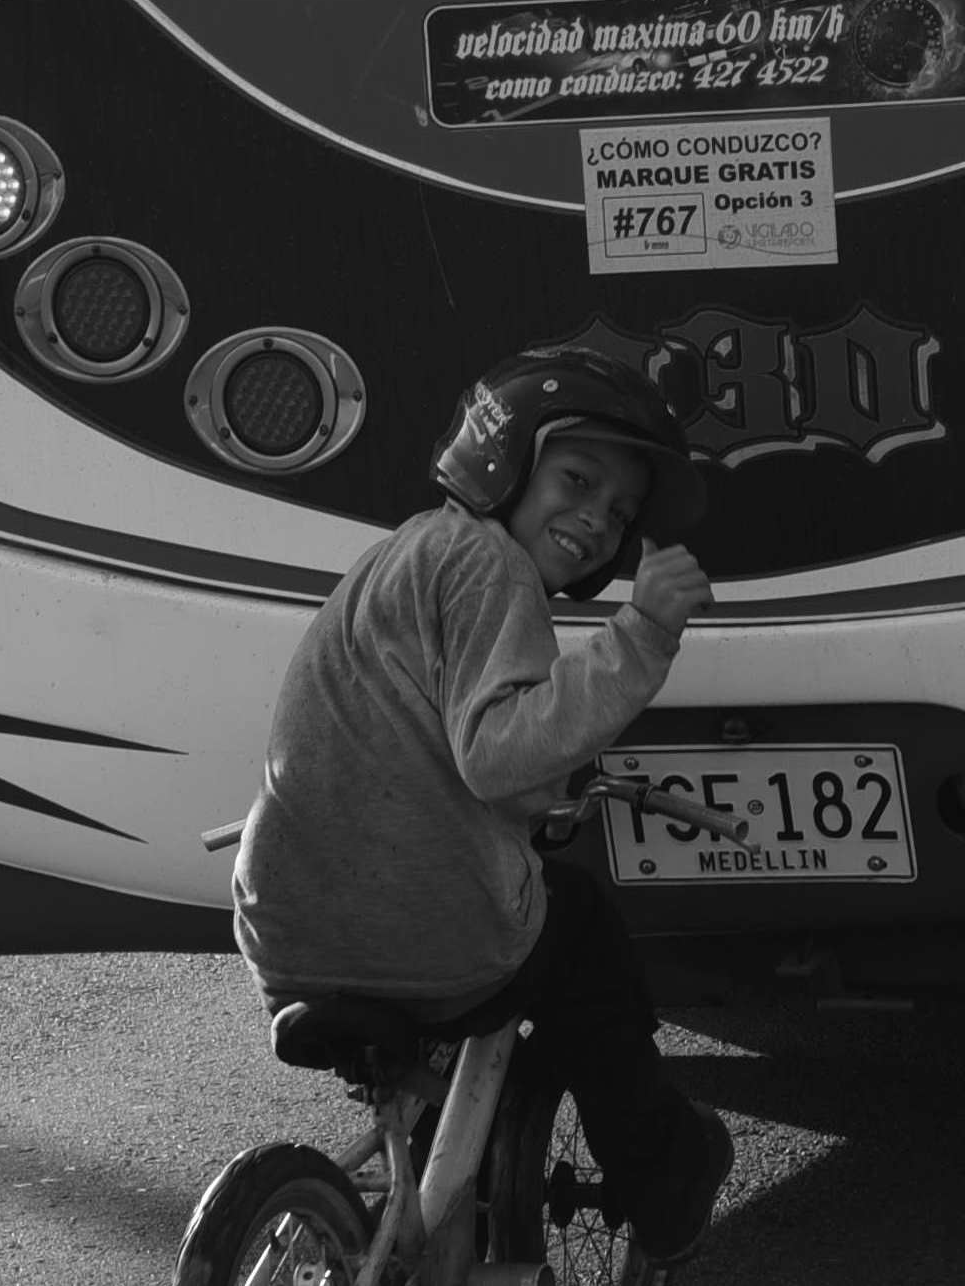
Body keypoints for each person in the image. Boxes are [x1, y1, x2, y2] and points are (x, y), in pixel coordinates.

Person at [229, 343, 734, 1269]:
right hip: (435, 929)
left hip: (285, 931)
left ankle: (422, 1188)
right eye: (576, 479)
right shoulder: (490, 564)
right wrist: (644, 633)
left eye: (621, 511)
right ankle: (668, 1179)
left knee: (493, 938)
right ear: (504, 459)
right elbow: (500, 754)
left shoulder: (401, 554)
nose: (598, 518)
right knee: (577, 933)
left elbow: (414, 741)